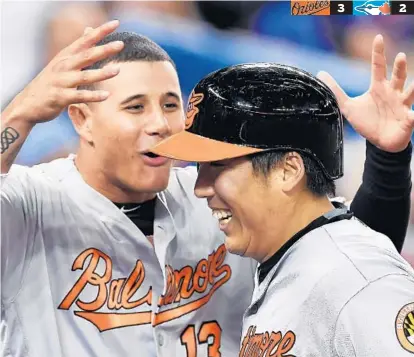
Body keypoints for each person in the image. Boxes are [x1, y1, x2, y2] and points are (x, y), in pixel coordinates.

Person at [1, 20, 412, 356]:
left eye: (169, 104)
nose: (159, 124)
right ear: (81, 119)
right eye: (135, 106)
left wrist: (387, 160)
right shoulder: (30, 203)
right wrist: (19, 113)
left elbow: (343, 260)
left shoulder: (222, 199)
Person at [150, 63, 414, 356]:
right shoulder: (293, 257)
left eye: (218, 166)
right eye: (200, 168)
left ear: (288, 171)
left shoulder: (358, 276)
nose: (200, 187)